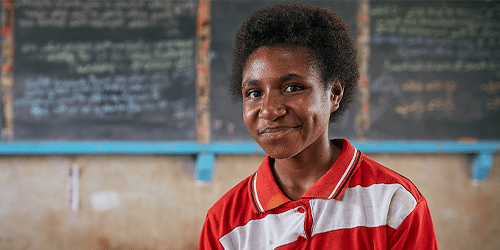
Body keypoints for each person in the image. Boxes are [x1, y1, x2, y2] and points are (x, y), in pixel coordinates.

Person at [199, 2, 438, 249]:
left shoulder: (394, 203)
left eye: (292, 88)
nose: (269, 110)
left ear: (334, 94)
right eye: (254, 93)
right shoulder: (223, 226)